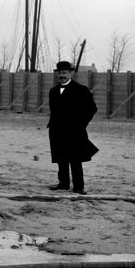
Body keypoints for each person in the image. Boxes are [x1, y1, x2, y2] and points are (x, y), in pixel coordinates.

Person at [47, 60, 98, 195]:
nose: (61, 75)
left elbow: (92, 109)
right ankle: (63, 184)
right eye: (59, 73)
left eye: (64, 72)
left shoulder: (81, 90)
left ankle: (78, 186)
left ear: (71, 73)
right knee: (61, 158)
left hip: (75, 130)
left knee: (75, 159)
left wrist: (82, 124)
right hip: (57, 130)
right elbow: (54, 110)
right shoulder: (53, 91)